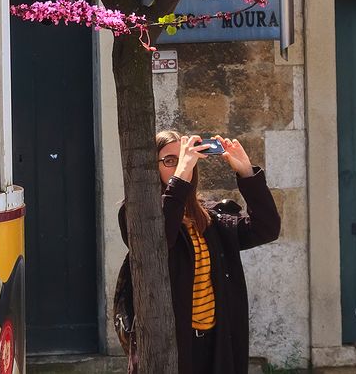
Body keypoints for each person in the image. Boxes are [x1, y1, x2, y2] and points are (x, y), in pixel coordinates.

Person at [118, 130, 280, 374]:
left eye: (183, 158)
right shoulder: (135, 214)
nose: (180, 165)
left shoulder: (209, 217)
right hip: (169, 346)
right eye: (169, 160)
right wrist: (181, 174)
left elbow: (266, 229)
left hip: (215, 345)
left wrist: (246, 173)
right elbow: (160, 240)